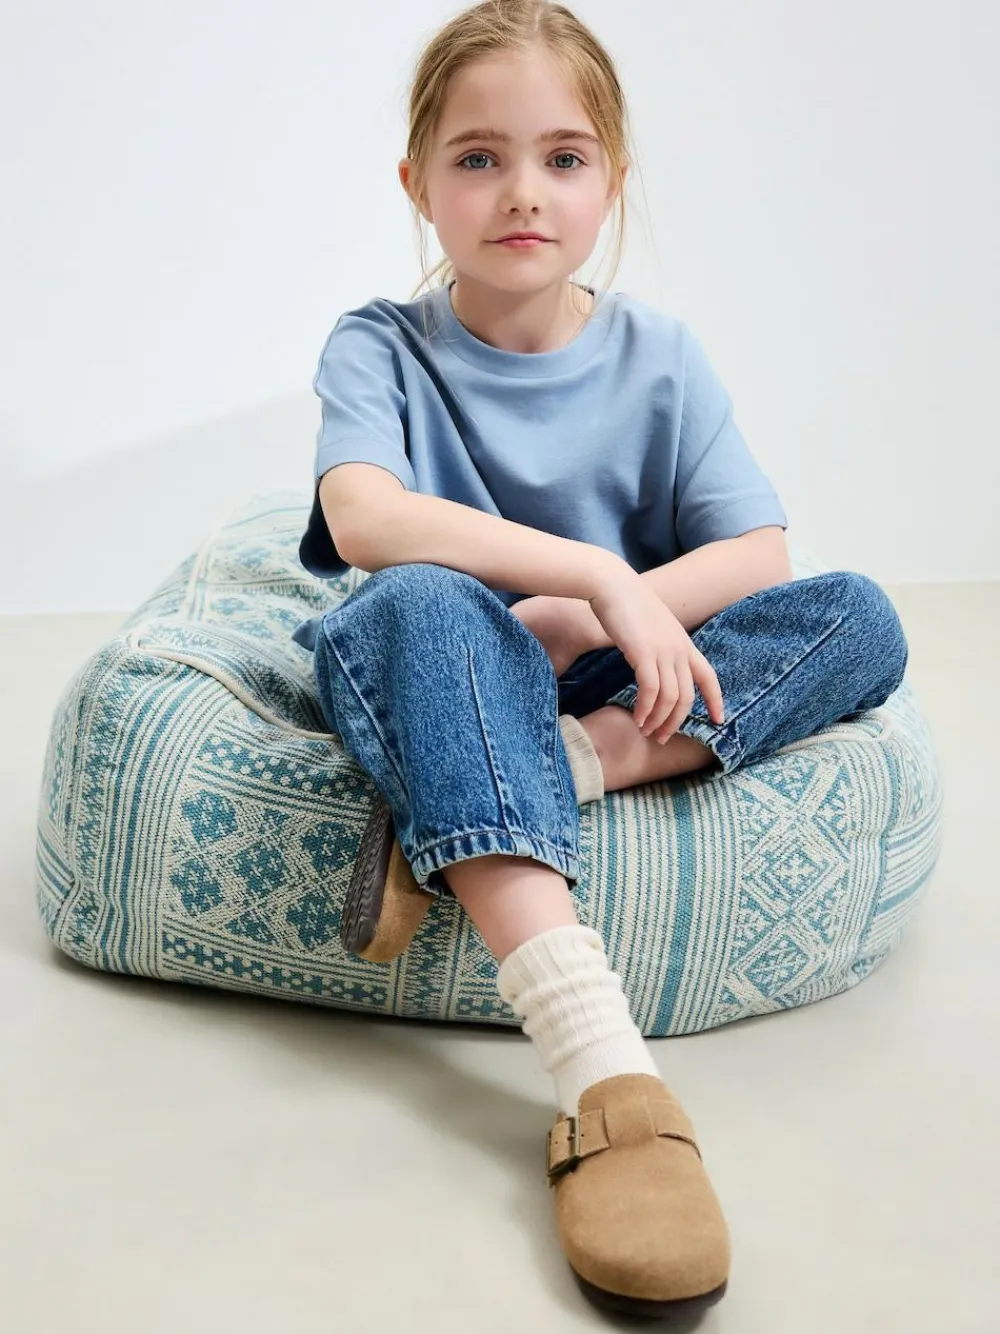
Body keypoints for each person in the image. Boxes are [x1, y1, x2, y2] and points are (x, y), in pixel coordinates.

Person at [290, 0, 908, 1318]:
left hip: (588, 683)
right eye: (478, 158)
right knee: (426, 602)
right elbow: (365, 520)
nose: (523, 191)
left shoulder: (659, 355)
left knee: (861, 617)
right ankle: (603, 1072)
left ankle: (524, 780)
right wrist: (592, 575)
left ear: (611, 180)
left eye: (563, 157)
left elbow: (759, 553)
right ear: (417, 184)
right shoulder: (378, 344)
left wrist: (601, 622)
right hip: (436, 659)